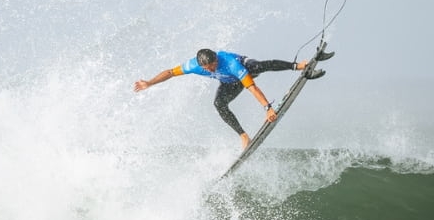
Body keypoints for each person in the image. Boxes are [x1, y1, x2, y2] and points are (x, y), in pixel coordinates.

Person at [134, 48, 325, 148]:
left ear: (217, 58)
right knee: (219, 104)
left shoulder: (231, 64)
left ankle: (297, 66)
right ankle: (243, 136)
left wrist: (268, 108)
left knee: (259, 66)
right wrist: (149, 83)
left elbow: (252, 88)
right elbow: (170, 72)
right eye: (208, 68)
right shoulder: (194, 65)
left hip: (245, 68)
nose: (211, 69)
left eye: (214, 65)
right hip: (229, 83)